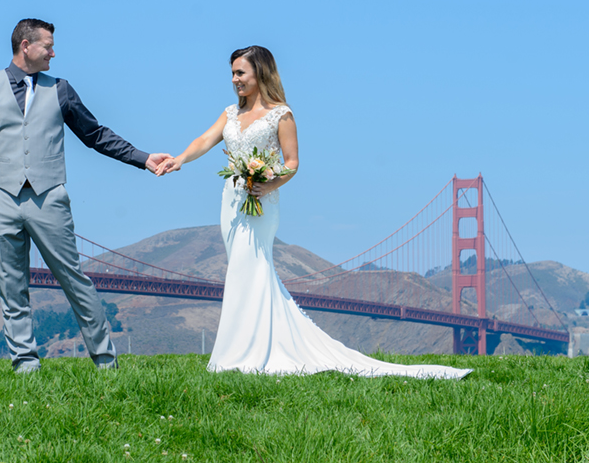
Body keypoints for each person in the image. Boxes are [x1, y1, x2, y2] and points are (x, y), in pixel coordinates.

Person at [157, 46, 470, 378]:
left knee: (253, 268)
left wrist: (268, 183)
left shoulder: (282, 115)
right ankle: (243, 348)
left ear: (259, 73)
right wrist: (179, 159)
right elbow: (205, 139)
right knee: (240, 270)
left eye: (240, 73)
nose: (234, 80)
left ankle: (242, 354)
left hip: (262, 202)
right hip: (232, 202)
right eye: (232, 73)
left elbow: (292, 163)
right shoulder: (231, 113)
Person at [0, 18, 171, 373]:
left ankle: (106, 362)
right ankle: (26, 367)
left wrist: (143, 158)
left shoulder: (61, 89)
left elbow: (95, 134)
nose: (53, 53)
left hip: (49, 198)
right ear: (26, 46)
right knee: (12, 287)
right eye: (47, 46)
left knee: (74, 280)